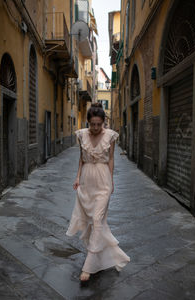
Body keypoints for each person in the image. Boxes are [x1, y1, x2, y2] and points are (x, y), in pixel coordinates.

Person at [66, 103, 130, 282]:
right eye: (92, 124)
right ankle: (101, 251)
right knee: (92, 222)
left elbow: (110, 160)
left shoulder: (110, 136)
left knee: (97, 219)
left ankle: (89, 265)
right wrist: (77, 177)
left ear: (103, 122)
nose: (95, 128)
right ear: (88, 122)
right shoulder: (81, 135)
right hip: (87, 181)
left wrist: (111, 181)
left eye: (98, 124)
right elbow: (81, 159)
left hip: (103, 181)